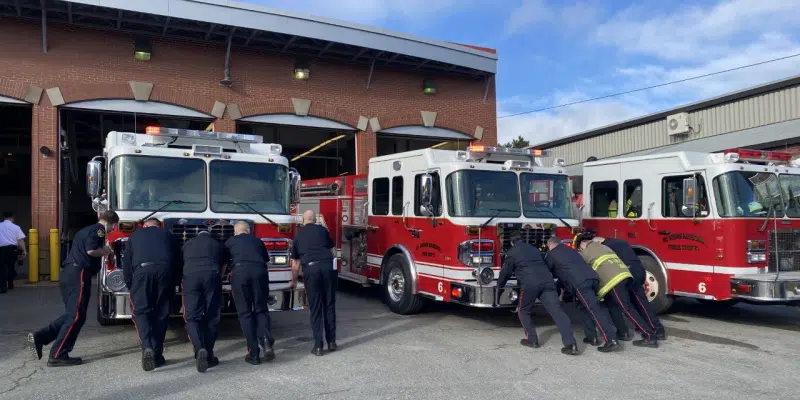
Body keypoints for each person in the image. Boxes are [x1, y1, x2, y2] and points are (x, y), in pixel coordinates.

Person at [27, 211, 119, 366]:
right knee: (76, 316)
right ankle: (58, 354)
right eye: (115, 225)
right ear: (113, 223)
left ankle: (40, 338)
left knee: (74, 314)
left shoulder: (86, 230)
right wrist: (105, 251)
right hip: (79, 273)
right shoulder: (99, 230)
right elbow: (91, 250)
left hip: (70, 273)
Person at [498, 231, 579, 355]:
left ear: (512, 242)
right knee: (557, 312)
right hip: (547, 282)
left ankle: (532, 340)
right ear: (522, 239)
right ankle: (571, 344)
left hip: (530, 285)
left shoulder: (512, 252)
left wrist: (500, 285)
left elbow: (506, 271)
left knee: (523, 310)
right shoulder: (534, 249)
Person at [575, 233, 659, 348]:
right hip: (625, 276)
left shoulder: (585, 253)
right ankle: (622, 332)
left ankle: (650, 336)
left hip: (614, 281)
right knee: (613, 306)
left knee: (627, 309)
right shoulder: (604, 247)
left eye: (579, 248)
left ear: (582, 244)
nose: (580, 250)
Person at [544, 236, 620, 352]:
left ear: (550, 245)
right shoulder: (570, 250)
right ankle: (592, 337)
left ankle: (611, 339)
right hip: (592, 279)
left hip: (580, 283)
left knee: (594, 310)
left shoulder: (551, 254)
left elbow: (548, 272)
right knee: (583, 308)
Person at [124, 218, 179, 371]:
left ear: (145, 225)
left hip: (142, 273)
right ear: (158, 225)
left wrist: (130, 283)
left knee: (141, 312)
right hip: (165, 273)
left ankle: (147, 346)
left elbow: (127, 262)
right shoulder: (167, 234)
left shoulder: (135, 235)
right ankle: (157, 355)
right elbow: (177, 260)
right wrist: (174, 281)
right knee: (161, 314)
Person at [593, 236, 666, 340]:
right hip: (639, 270)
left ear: (599, 242)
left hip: (630, 272)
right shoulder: (620, 241)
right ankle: (649, 326)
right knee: (639, 302)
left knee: (640, 303)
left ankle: (657, 330)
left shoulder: (606, 247)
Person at [225, 221, 274, 365]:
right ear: (248, 231)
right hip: (259, 273)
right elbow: (266, 260)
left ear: (235, 232)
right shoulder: (258, 241)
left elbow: (226, 262)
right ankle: (266, 341)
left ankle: (254, 354)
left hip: (240, 274)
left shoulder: (230, 242)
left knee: (245, 313)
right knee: (261, 309)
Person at [290, 210, 337, 356]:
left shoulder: (298, 235)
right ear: (315, 219)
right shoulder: (323, 230)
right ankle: (331, 342)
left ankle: (318, 346)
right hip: (328, 268)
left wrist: (293, 281)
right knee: (329, 305)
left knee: (316, 308)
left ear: (303, 221)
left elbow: (296, 264)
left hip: (311, 270)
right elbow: (332, 248)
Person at [182, 230, 224, 372]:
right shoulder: (217, 244)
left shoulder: (187, 244)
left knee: (192, 317)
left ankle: (199, 348)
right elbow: (223, 264)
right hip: (211, 275)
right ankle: (209, 355)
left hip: (190, 277)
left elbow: (182, 261)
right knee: (212, 316)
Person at [0, 212, 26, 292]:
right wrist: (24, 250)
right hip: (12, 250)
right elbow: (20, 240)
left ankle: (2, 287)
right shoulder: (16, 227)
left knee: (2, 268)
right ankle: (10, 284)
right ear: (12, 217)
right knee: (11, 266)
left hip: (1, 249)